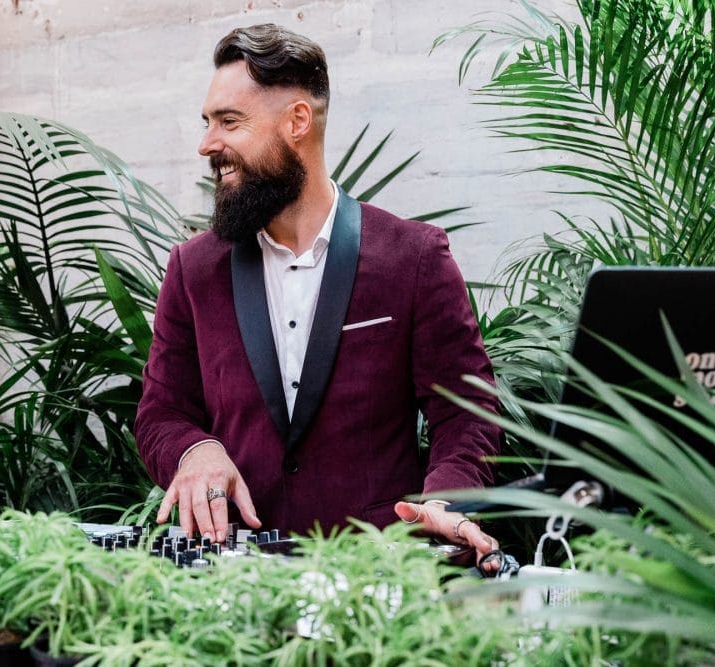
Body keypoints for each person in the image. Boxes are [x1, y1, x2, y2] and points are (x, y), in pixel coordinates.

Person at [135, 23, 502, 567]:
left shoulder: (414, 257)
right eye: (207, 122)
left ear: (297, 122)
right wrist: (195, 449)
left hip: (378, 578)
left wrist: (443, 501)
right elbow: (161, 412)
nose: (207, 143)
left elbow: (467, 413)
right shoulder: (193, 269)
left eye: (229, 122)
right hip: (231, 577)